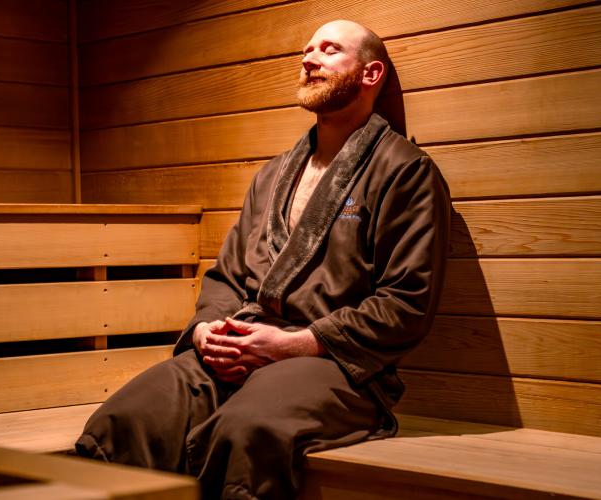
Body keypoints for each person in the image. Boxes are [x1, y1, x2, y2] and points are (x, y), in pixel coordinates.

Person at [75, 19, 451, 499]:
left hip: (339, 366)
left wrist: (295, 344)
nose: (309, 58)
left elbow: (406, 302)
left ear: (370, 74)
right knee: (125, 419)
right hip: (243, 346)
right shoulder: (273, 175)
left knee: (245, 431)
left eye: (330, 50)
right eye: (307, 49)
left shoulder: (406, 172)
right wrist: (208, 330)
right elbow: (227, 275)